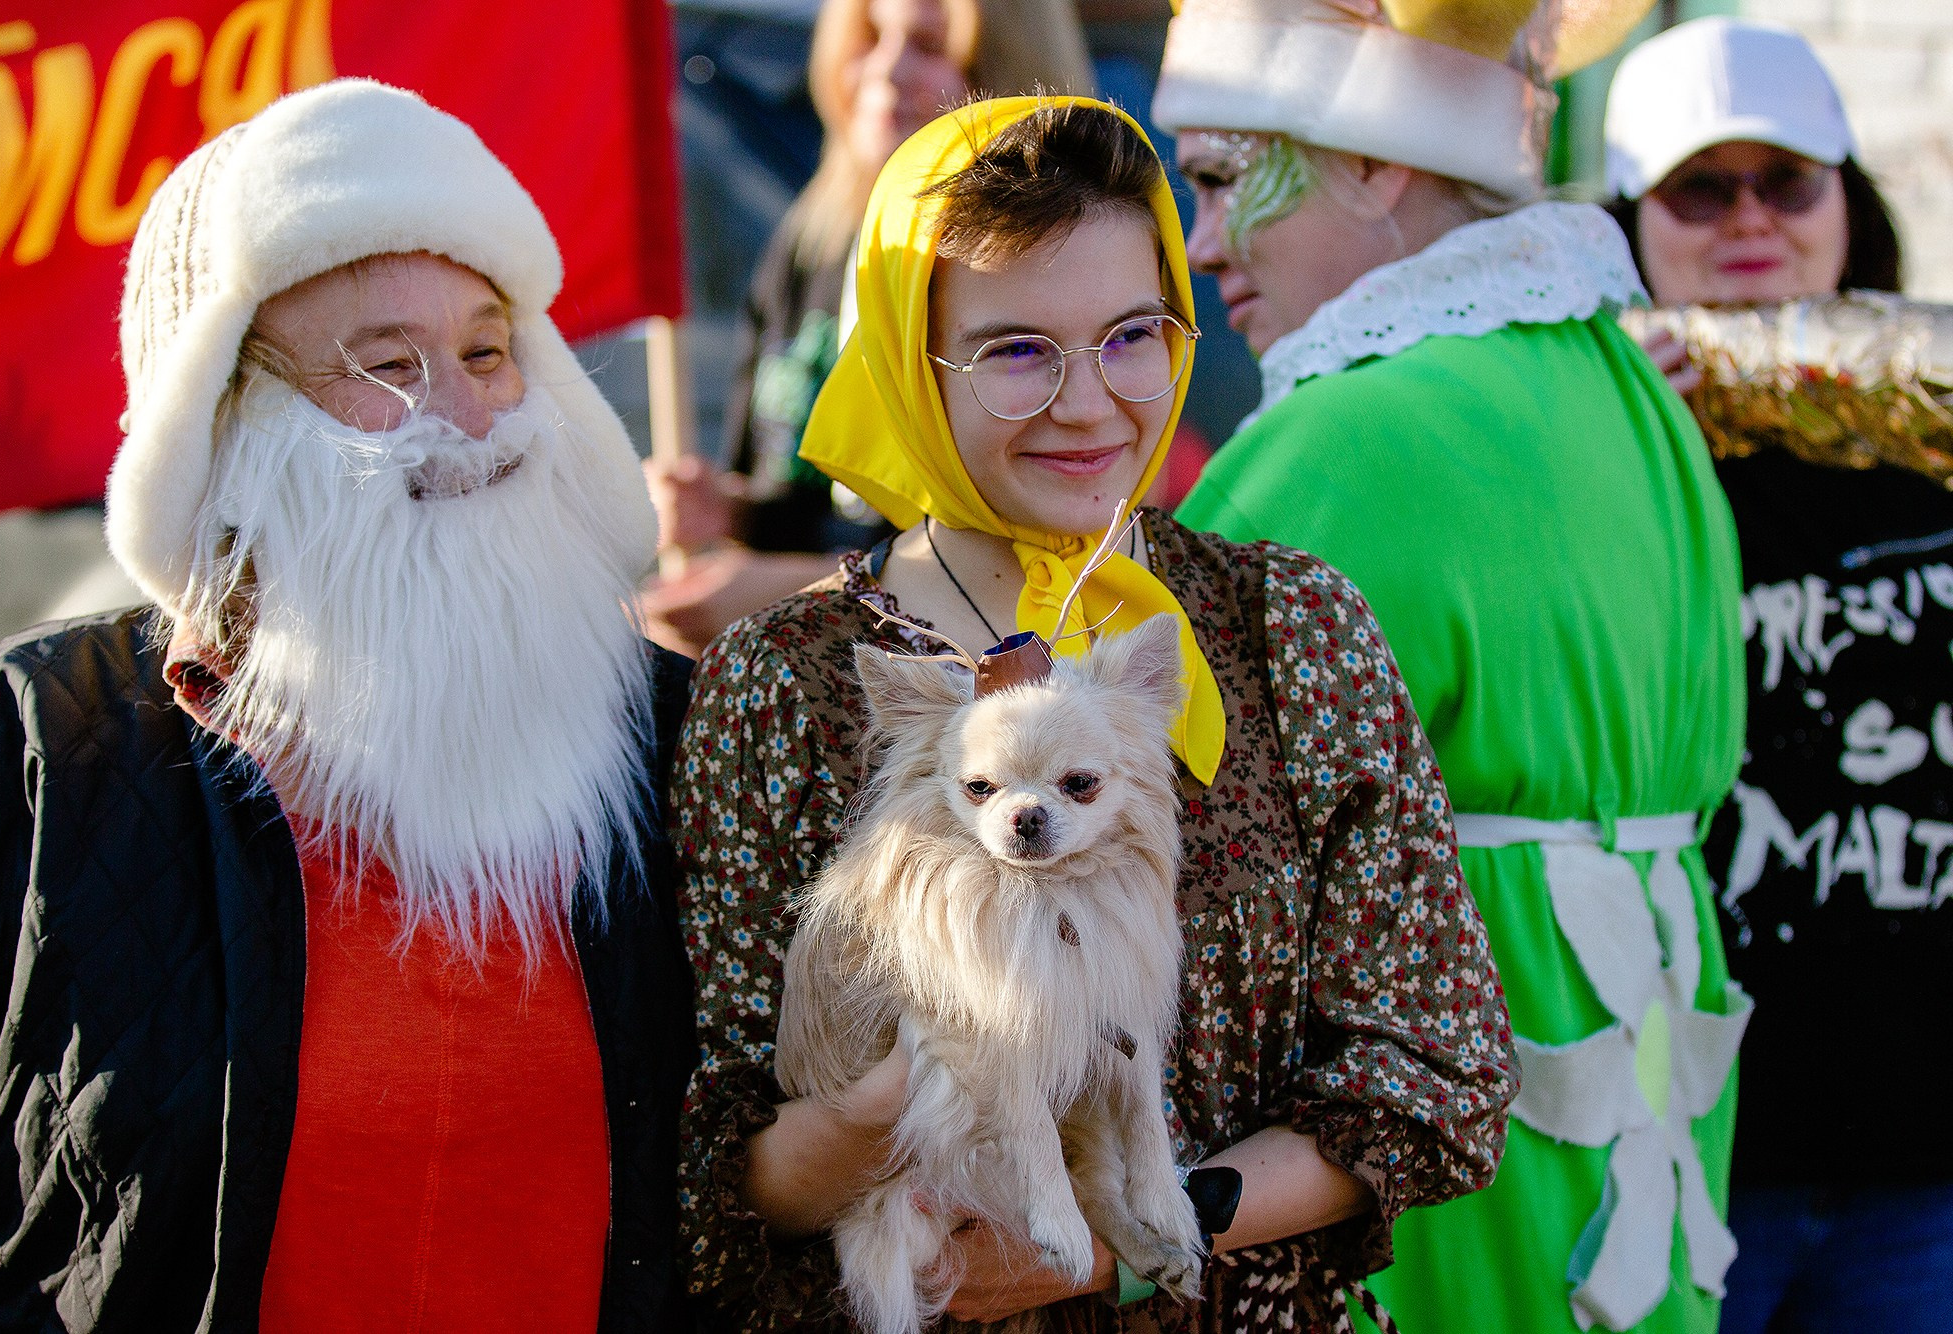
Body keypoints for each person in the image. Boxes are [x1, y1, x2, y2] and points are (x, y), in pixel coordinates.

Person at [671, 95, 1519, 1333]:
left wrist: (1132, 1229)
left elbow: (1430, 1071)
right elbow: (721, 1175)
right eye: (1017, 350)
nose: (1088, 401)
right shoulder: (782, 680)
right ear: (910, 360)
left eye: (1132, 333)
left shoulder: (1286, 626)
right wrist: (898, 1103)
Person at [0, 81, 693, 1331]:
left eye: (484, 350)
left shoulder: (674, 733)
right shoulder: (37, 742)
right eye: (386, 368)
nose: (464, 421)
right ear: (225, 425)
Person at [1153, 2, 1750, 1332]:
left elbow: (1176, 854)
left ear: (1372, 159)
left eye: (1218, 176)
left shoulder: (1337, 437)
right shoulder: (1632, 386)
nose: (1199, 247)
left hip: (1430, 1140)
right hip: (1628, 1105)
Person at [1606, 19, 1950, 1334]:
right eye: (1702, 186)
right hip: (1693, 1135)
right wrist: (1613, 430)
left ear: (1845, 204)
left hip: (1928, 1154)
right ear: (1631, 216)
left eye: (1785, 180)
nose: (1748, 217)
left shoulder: (1932, 430)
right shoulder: (1601, 443)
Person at [645, 0, 1094, 656]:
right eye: (869, 37)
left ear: (1006, 75)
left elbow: (1040, 558)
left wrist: (805, 591)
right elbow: (820, 502)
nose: (884, 71)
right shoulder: (809, 244)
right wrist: (730, 509)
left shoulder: (1043, 279)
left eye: (929, 45)